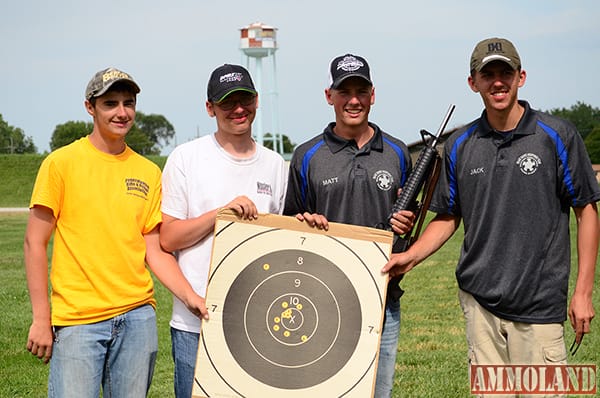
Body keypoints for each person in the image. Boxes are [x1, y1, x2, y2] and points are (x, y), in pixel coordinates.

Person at [383, 37, 600, 379]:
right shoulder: (460, 144)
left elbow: (586, 210)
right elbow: (448, 215)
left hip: (539, 303)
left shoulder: (557, 135)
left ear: (521, 77)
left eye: (506, 72)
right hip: (479, 305)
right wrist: (412, 256)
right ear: (474, 83)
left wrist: (583, 292)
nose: (498, 81)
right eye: (488, 74)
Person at [23, 67, 208, 398]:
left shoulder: (148, 172)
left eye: (128, 103)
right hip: (79, 320)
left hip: (137, 319)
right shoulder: (60, 164)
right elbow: (34, 243)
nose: (122, 112)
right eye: (110, 103)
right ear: (90, 107)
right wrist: (41, 319)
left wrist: (190, 297)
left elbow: (154, 249)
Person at [284, 54, 415, 398]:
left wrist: (407, 221)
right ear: (330, 96)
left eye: (361, 90)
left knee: (378, 392)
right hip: (323, 302)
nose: (353, 100)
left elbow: (409, 225)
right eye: (345, 91)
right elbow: (288, 227)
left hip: (383, 301)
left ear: (373, 95)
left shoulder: (398, 153)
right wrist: (305, 223)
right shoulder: (306, 155)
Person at [160, 63, 288, 398]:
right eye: (228, 102)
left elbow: (282, 242)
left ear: (257, 101)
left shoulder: (275, 164)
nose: (239, 109)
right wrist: (220, 215)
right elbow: (168, 238)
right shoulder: (185, 158)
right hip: (196, 323)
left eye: (245, 99)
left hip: (259, 323)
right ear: (210, 107)